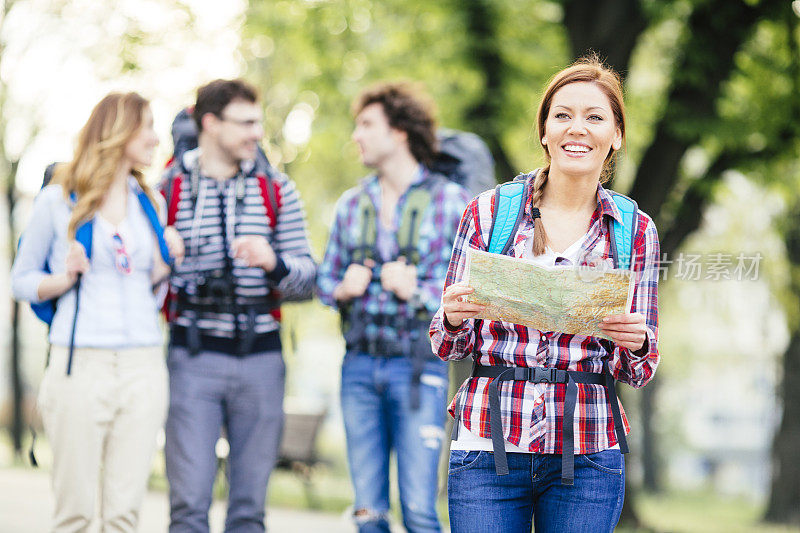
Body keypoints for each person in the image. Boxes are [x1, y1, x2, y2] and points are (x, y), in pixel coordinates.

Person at [431, 56, 660, 533]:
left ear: (616, 135)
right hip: (488, 446)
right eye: (563, 115)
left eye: (595, 117)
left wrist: (635, 341)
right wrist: (452, 317)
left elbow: (640, 368)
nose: (577, 129)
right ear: (544, 131)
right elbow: (446, 344)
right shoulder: (489, 213)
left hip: (588, 449)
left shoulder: (635, 231)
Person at [11, 92, 183, 532]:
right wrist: (64, 277)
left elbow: (142, 286)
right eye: (146, 126)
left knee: (125, 514)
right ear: (118, 130)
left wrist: (166, 263)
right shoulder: (58, 200)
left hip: (143, 365)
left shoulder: (151, 203)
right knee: (76, 513)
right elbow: (21, 280)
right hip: (80, 364)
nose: (154, 137)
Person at [160, 79, 316, 533]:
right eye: (245, 123)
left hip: (261, 359)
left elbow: (309, 281)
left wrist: (274, 263)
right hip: (192, 357)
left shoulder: (277, 190)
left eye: (257, 122)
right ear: (209, 123)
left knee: (249, 510)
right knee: (188, 505)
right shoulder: (166, 188)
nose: (255, 133)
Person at [317, 82, 470, 533]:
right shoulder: (351, 204)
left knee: (420, 511)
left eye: (366, 124)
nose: (356, 135)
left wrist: (418, 290)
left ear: (399, 131)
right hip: (359, 367)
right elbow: (324, 282)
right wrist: (342, 289)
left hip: (418, 368)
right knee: (368, 513)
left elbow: (471, 294)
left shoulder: (451, 202)